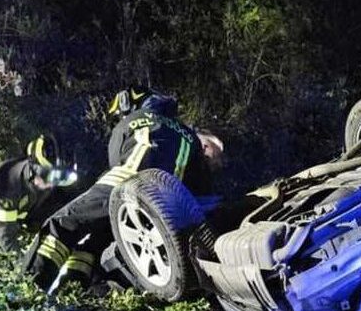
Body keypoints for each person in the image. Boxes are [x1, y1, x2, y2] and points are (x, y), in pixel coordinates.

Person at [23, 87, 223, 292]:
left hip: (126, 184)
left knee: (63, 225)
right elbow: (200, 186)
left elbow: (115, 158)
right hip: (166, 209)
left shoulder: (133, 119)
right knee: (91, 246)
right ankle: (73, 293)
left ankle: (26, 293)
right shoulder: (189, 136)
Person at [0, 134, 78, 266]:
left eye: (58, 180)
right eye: (49, 178)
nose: (51, 185)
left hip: (19, 215)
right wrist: (22, 266)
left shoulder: (41, 183)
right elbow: (6, 236)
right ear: (34, 169)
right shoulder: (6, 184)